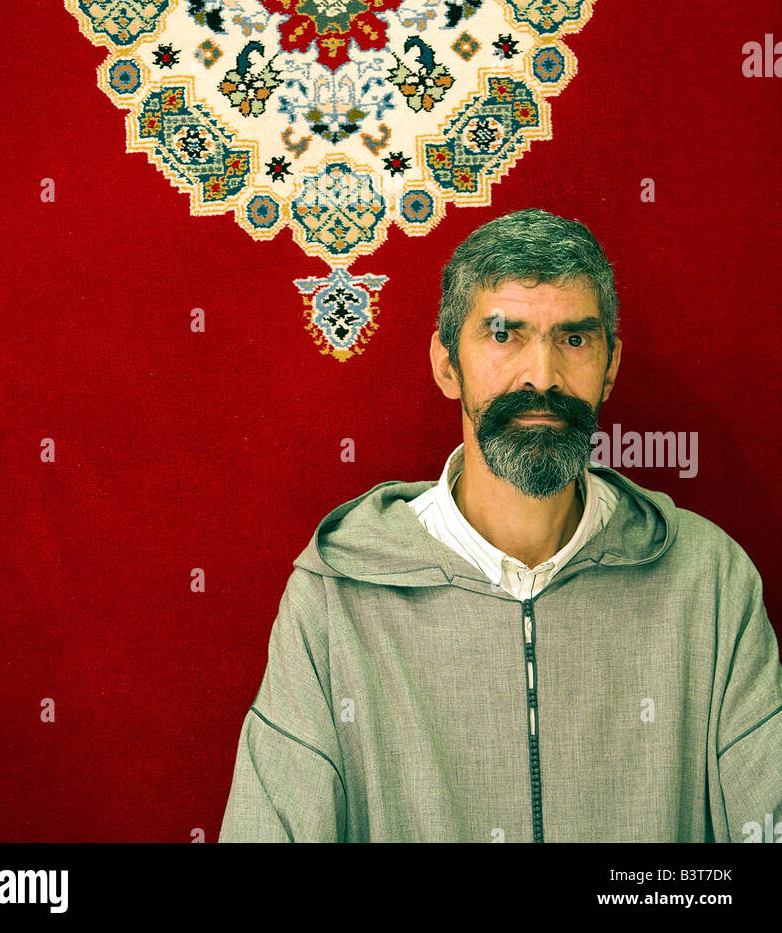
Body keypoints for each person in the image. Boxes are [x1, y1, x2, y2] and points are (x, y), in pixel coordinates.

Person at [219, 208, 782, 842]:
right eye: (503, 334)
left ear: (611, 367)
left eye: (574, 339)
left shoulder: (711, 582)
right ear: (445, 364)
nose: (542, 376)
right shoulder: (335, 598)